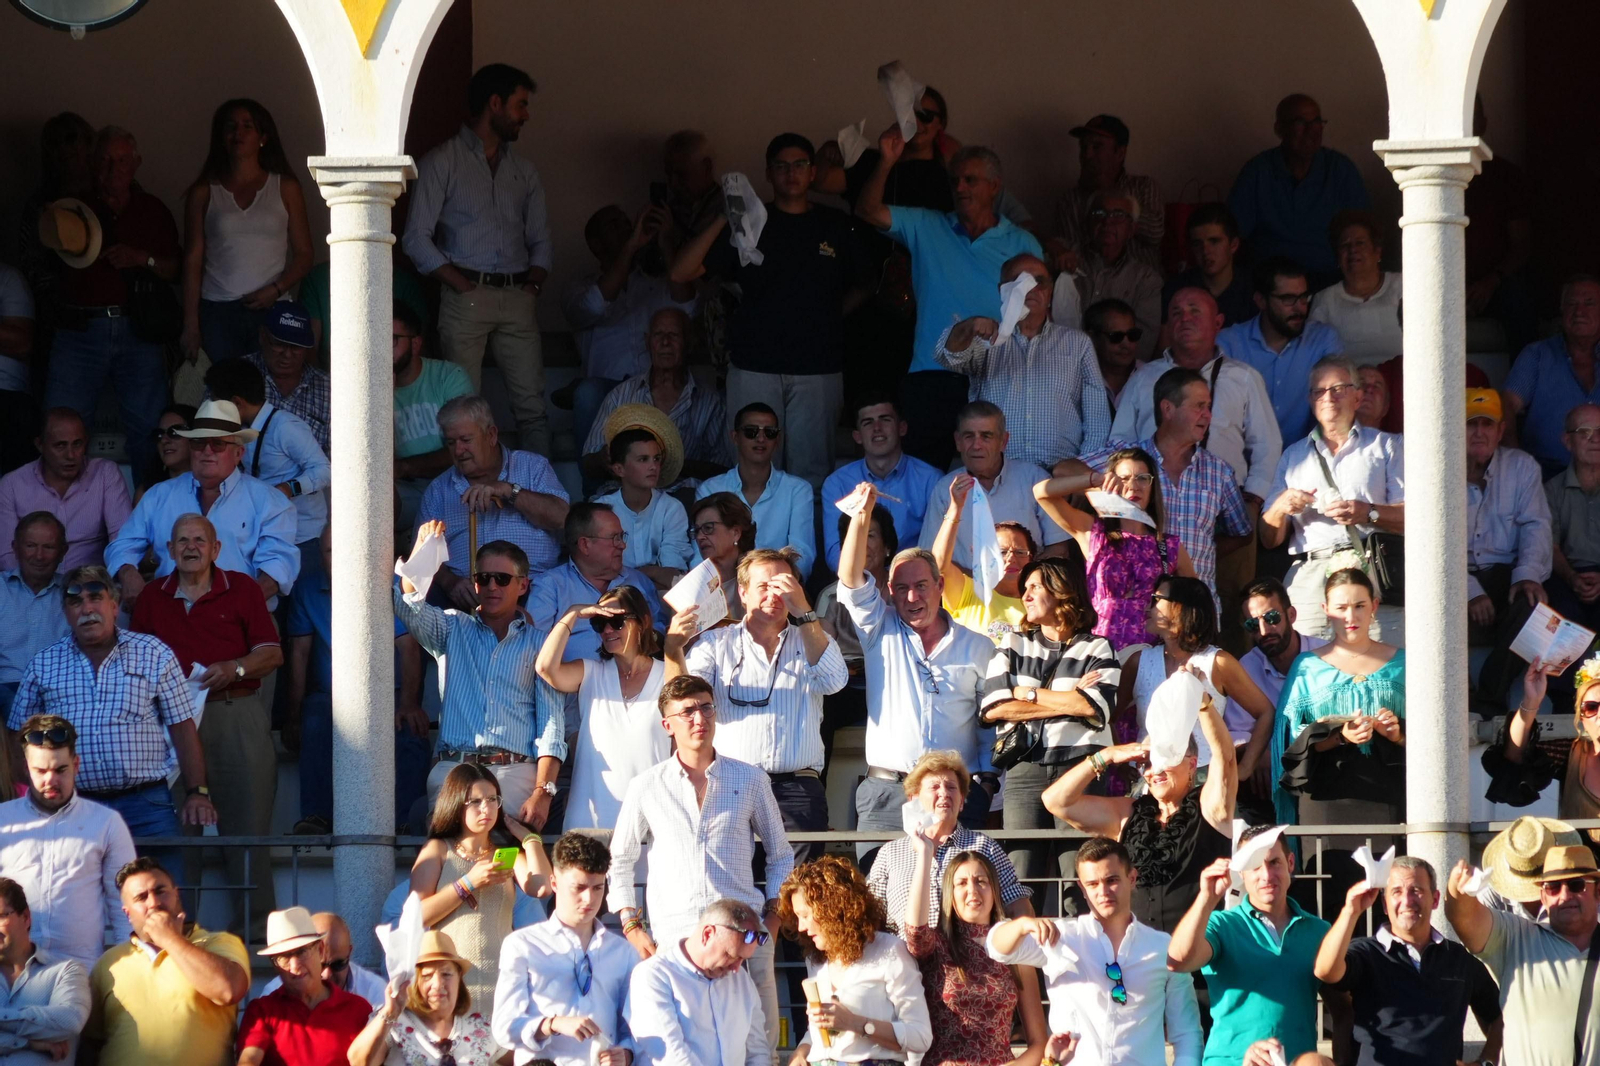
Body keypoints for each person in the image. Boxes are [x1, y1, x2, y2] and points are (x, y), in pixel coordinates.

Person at [608, 675, 795, 1056]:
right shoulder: (647, 785)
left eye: (706, 708)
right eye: (688, 711)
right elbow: (620, 859)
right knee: (678, 1044)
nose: (700, 719)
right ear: (668, 724)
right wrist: (631, 925)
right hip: (676, 937)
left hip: (746, 936)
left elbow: (780, 854)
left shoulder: (750, 778)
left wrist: (772, 920)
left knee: (759, 1046)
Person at [672, 133, 868, 489]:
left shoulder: (835, 224)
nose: (791, 173)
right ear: (768, 173)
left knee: (812, 478)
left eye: (799, 165)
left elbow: (866, 283)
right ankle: (751, 531)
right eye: (781, 166)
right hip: (754, 365)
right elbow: (681, 272)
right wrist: (725, 216)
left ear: (812, 173)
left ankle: (805, 532)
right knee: (752, 473)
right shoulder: (749, 223)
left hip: (817, 368)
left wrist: (830, 316)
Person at [128, 512, 284, 936]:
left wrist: (235, 667)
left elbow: (272, 653)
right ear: (169, 550)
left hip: (234, 711)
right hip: (169, 724)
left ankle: (255, 934)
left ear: (216, 549)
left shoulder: (243, 588)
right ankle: (174, 933)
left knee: (247, 827)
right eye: (182, 540)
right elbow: (134, 661)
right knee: (176, 832)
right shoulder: (152, 597)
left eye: (200, 540)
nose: (191, 547)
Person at [856, 130, 1044, 470]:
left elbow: (1039, 310)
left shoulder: (1022, 242)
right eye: (955, 180)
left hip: (996, 374)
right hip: (931, 373)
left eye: (971, 180)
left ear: (995, 186)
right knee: (921, 475)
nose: (960, 187)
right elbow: (867, 210)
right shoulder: (927, 224)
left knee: (997, 473)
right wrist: (885, 161)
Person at [403, 63, 553, 455]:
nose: (526, 115)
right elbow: (415, 238)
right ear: (495, 103)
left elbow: (541, 240)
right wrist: (461, 284)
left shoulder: (524, 171)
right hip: (465, 296)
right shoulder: (442, 161)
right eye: (520, 105)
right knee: (462, 409)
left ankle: (543, 486)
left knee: (532, 408)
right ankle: (466, 487)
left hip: (517, 294)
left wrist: (532, 287)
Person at [837, 483, 996, 843]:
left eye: (922, 586)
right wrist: (861, 516)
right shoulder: (876, 629)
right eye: (901, 588)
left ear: (940, 585)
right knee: (877, 881)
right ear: (889, 591)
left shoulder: (978, 646)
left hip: (953, 795)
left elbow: (989, 724)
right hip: (887, 794)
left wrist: (987, 782)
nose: (912, 597)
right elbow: (849, 579)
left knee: (956, 881)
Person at [664, 548, 845, 859]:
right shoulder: (715, 643)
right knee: (732, 884)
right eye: (764, 586)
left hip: (797, 790)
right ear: (743, 592)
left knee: (798, 887)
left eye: (783, 586)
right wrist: (673, 650)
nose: (773, 595)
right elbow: (683, 702)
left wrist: (805, 612)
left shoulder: (812, 638)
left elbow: (834, 682)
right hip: (730, 784)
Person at [6, 566, 213, 838]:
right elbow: (17, 738)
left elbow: (182, 728)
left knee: (160, 868)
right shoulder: (43, 664)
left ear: (114, 607)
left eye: (95, 597)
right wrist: (37, 796)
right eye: (75, 602)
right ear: (66, 613)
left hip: (147, 804)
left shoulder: (154, 653)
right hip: (72, 806)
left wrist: (197, 792)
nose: (87, 608)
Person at [394, 525, 566, 826]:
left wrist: (543, 791)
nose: (492, 586)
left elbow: (551, 726)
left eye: (502, 579)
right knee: (450, 855)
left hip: (514, 773)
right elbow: (409, 604)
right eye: (483, 578)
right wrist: (422, 549)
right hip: (454, 770)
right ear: (475, 584)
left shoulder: (541, 643)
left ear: (523, 585)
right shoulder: (451, 627)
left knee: (507, 854)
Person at [40, 126, 179, 484]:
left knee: (149, 429)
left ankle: (149, 507)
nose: (112, 169)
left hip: (138, 330)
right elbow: (45, 272)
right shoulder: (71, 209)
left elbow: (175, 270)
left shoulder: (152, 210)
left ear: (136, 163)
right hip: (80, 330)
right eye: (104, 160)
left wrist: (141, 258)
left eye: (120, 160)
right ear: (92, 163)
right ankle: (59, 513)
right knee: (62, 427)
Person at [988, 837, 1203, 1066]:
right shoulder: (1062, 936)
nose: (1103, 891)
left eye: (1112, 880)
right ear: (1081, 888)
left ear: (1132, 878)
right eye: (1092, 884)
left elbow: (1187, 1033)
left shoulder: (1163, 946)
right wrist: (1022, 924)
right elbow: (996, 948)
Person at [1111, 290, 1282, 577]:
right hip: (1154, 508)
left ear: (1218, 323)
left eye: (1194, 311)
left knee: (1230, 596)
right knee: (1152, 595)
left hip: (1231, 512)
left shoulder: (1244, 377)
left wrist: (1252, 500)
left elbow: (1268, 444)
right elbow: (1119, 443)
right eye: (1176, 313)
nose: (1185, 319)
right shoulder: (1144, 377)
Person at [1042, 684, 1236, 932]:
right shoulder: (1128, 813)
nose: (1155, 770)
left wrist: (1202, 700)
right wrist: (1106, 756)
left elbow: (1225, 758)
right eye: (1148, 763)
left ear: (1192, 764)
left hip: (1199, 944)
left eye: (1165, 759)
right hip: (1138, 948)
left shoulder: (1210, 805)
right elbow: (1056, 801)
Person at [979, 558, 1120, 896]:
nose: (1025, 596)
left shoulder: (1097, 647)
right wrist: (1069, 698)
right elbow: (994, 707)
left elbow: (1093, 707)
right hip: (1024, 769)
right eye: (1025, 588)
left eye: (1035, 587)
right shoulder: (1012, 644)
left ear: (1061, 592)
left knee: (1081, 876)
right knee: (1021, 877)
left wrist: (1027, 694)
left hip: (1081, 769)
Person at [283, 523, 430, 834]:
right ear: (320, 554)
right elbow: (299, 655)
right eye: (329, 551)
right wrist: (292, 716)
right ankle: (317, 817)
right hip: (332, 696)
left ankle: (407, 822)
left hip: (389, 693)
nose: (337, 558)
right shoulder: (307, 589)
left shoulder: (389, 585)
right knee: (314, 718)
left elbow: (409, 648)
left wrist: (409, 703)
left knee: (412, 729)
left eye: (344, 551)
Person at [1078, 366, 1254, 612]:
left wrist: (1203, 550)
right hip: (1141, 614)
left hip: (1198, 610)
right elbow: (1063, 469)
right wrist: (1098, 482)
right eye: (1199, 406)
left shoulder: (1219, 471)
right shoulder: (1129, 461)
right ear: (1168, 409)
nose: (1207, 415)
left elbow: (1242, 533)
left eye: (1208, 407)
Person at [1271, 568, 1406, 882]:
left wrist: (1397, 735)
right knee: (1329, 888)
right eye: (1341, 607)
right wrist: (1339, 737)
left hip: (1387, 794)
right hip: (1325, 797)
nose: (1350, 616)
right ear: (1326, 610)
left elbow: (1430, 737)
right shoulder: (1306, 667)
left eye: (1359, 606)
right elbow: (1291, 741)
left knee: (1385, 889)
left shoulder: (1403, 663)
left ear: (1374, 606)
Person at [1259, 355, 1406, 642]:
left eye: (1338, 389)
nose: (1328, 398)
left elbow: (1415, 517)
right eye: (1319, 391)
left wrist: (1367, 512)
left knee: (1380, 660)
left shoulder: (1386, 446)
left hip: (1371, 569)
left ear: (1357, 396)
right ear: (1311, 400)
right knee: (1311, 661)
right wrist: (1281, 507)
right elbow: (1268, 539)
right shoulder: (1293, 456)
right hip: (1311, 576)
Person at [106, 398, 299, 610]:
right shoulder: (159, 495)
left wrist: (236, 608)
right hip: (169, 614)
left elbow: (278, 566)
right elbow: (122, 545)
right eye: (199, 442)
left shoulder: (269, 501)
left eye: (218, 443)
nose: (207, 450)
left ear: (238, 453)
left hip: (241, 615)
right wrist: (128, 574)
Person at [1167, 826, 1333, 1066]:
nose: (1266, 875)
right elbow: (1178, 961)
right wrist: (1206, 898)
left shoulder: (1319, 931)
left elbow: (1342, 1008)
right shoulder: (1222, 924)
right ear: (1241, 872)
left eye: (1274, 862)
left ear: (1290, 862)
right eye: (1255, 866)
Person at [1313, 858, 1503, 1066]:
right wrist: (1351, 911)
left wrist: (1486, 1062)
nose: (1407, 900)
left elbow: (1500, 1016)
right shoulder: (1366, 953)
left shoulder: (1458, 959)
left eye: (1416, 890)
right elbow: (1325, 971)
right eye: (1396, 892)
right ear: (1384, 904)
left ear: (1435, 899)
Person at [936, 253, 1113, 468]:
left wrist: (1081, 470)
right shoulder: (985, 339)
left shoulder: (1078, 343)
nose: (1030, 288)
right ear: (1002, 290)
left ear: (1050, 291)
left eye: (1039, 281)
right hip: (997, 474)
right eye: (1019, 280)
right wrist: (969, 326)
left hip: (1060, 475)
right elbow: (949, 357)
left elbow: (1097, 421)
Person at [410, 763, 552, 1027]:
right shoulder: (438, 849)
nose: (486, 808)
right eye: (475, 801)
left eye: (492, 799)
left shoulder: (505, 855)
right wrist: (468, 883)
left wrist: (530, 840)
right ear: (456, 804)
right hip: (451, 982)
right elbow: (415, 916)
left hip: (501, 980)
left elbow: (541, 887)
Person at [82, 857, 250, 1066]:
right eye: (141, 897)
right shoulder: (109, 963)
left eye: (160, 891)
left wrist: (170, 939)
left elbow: (229, 990)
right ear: (127, 913)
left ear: (176, 895)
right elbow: (89, 1044)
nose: (154, 903)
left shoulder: (218, 943)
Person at [179, 98, 311, 363]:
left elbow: (305, 254)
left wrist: (276, 289)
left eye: (247, 126)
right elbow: (193, 259)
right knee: (224, 384)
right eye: (230, 127)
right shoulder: (204, 192)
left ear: (263, 137)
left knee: (267, 383)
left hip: (272, 306)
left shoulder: (285, 188)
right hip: (217, 310)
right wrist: (190, 323)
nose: (237, 133)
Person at [1443, 845, 1600, 1066]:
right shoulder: (1516, 938)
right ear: (1543, 896)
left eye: (1577, 885)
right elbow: (1464, 919)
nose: (1565, 895)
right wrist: (1459, 889)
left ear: (1598, 892)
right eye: (1553, 887)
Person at [903, 826, 1046, 1066]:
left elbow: (1039, 1042)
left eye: (981, 881)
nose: (973, 890)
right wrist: (925, 855)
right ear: (950, 893)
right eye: (961, 883)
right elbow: (915, 932)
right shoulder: (936, 945)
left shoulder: (1016, 948)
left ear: (994, 891)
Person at [0, 716, 135, 969]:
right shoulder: (3, 820)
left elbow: (125, 905)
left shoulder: (106, 823)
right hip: (9, 973)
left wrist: (125, 969)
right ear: (27, 768)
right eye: (41, 771)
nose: (50, 780)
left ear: (76, 765)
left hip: (80, 971)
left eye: (60, 770)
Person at [493, 832, 635, 1066]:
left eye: (598, 888)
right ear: (554, 883)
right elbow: (504, 1028)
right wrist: (551, 1024)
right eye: (578, 887)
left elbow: (634, 1025)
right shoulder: (522, 945)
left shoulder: (623, 952)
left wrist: (627, 1053)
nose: (589, 899)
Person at [535, 585, 671, 830]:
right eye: (599, 623)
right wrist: (573, 614)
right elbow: (545, 668)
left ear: (643, 622)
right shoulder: (591, 672)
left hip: (650, 819)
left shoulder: (668, 675)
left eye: (617, 621)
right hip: (589, 821)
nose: (607, 630)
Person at [1034, 445, 1197, 649]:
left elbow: (1195, 604)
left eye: (1142, 478)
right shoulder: (1093, 532)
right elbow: (1041, 492)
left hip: (1152, 655)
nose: (1133, 486)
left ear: (1152, 486)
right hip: (1101, 654)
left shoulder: (1169, 546)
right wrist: (1094, 480)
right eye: (1124, 478)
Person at [562, 202, 694, 449]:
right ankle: (592, 475)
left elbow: (688, 307)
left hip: (654, 388)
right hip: (607, 394)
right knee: (587, 391)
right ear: (596, 244)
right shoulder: (579, 289)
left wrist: (666, 243)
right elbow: (594, 306)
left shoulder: (653, 283)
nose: (627, 229)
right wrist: (631, 246)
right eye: (614, 225)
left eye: (627, 222)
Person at [418, 394, 570, 607]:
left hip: (533, 594)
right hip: (466, 600)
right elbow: (421, 554)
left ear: (491, 435)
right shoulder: (438, 490)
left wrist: (509, 491)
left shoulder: (532, 467)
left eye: (465, 440)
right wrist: (449, 582)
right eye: (451, 443)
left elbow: (562, 518)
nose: (458, 451)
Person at [780, 856, 934, 1065]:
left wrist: (855, 1023)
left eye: (805, 915)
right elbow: (821, 1030)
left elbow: (920, 1036)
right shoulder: (817, 959)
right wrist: (802, 1050)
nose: (800, 927)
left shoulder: (889, 951)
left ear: (832, 909)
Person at [1118, 574, 1273, 781]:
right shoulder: (1139, 662)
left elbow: (1265, 712)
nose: (1147, 607)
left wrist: (1244, 769)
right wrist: (1121, 762)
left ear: (1181, 607)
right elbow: (1108, 717)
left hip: (1203, 783)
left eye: (1156, 600)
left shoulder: (1217, 662)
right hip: (1150, 782)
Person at [866, 750, 1033, 932]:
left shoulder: (985, 847)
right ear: (914, 798)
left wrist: (1024, 934)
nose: (944, 793)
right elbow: (871, 914)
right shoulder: (890, 853)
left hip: (967, 949)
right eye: (934, 787)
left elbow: (1017, 903)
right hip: (905, 948)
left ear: (961, 801)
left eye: (951, 787)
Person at [1463, 388, 1553, 701]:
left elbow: (1536, 525)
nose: (1479, 432)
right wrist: (1470, 591)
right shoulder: (1439, 471)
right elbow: (1433, 546)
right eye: (1471, 423)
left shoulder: (1522, 466)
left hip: (1505, 573)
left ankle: (1489, 696)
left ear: (1501, 431)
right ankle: (1460, 695)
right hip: (1455, 576)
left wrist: (1527, 575)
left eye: (1487, 424)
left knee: (1534, 607)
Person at [1228, 94, 1371, 287]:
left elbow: (1363, 233)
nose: (1312, 131)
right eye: (1300, 123)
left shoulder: (1339, 169)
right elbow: (1233, 237)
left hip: (1330, 281)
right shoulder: (1258, 171)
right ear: (1279, 129)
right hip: (1271, 284)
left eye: (1317, 122)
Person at [204, 355, 329, 572]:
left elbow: (325, 470)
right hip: (266, 534)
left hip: (303, 537)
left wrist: (287, 489)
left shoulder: (286, 426)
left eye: (217, 404)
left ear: (236, 403)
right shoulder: (242, 430)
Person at [581, 307, 732, 485]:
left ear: (689, 343)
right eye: (658, 335)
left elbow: (724, 470)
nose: (665, 342)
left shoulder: (710, 403)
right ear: (647, 342)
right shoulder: (621, 395)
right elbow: (588, 464)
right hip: (626, 495)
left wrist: (674, 464)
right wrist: (603, 458)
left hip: (684, 494)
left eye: (674, 335)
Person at [917, 402, 1067, 570]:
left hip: (1027, 583)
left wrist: (1027, 578)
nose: (976, 445)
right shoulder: (945, 489)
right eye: (969, 436)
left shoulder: (1034, 480)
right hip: (964, 585)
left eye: (986, 436)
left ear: (1003, 441)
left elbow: (1059, 547)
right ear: (958, 441)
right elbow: (929, 558)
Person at [624, 899, 770, 1066]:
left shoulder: (741, 979)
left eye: (743, 959)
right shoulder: (653, 975)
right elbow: (670, 1055)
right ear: (707, 934)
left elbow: (758, 1050)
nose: (736, 968)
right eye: (731, 956)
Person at [1218, 258, 1347, 445]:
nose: (1299, 308)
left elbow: (1340, 404)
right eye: (1288, 299)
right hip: (1241, 457)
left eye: (1303, 298)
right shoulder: (1229, 343)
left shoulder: (1322, 339)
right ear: (1261, 301)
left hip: (1307, 455)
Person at [1232, 579, 1327, 817]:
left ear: (1291, 615)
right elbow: (1235, 732)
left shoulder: (1325, 656)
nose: (1264, 631)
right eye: (1253, 624)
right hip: (1269, 781)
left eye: (1272, 618)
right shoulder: (1246, 667)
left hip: (1321, 763)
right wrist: (1259, 752)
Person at [527, 503, 667, 660]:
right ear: (585, 545)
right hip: (573, 674)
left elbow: (661, 633)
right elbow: (533, 647)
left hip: (634, 674)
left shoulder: (639, 581)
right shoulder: (550, 586)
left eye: (622, 537)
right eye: (614, 538)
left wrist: (643, 635)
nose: (622, 545)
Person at [235, 907, 370, 1066]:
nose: (294, 966)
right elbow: (248, 1060)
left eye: (301, 952)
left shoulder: (358, 1009)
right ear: (275, 965)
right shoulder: (262, 1012)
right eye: (283, 957)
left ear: (320, 950)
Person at [821, 394, 941, 573]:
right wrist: (866, 580)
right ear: (857, 436)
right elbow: (834, 555)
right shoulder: (837, 484)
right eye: (867, 423)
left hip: (914, 580)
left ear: (902, 428)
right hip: (858, 579)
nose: (877, 428)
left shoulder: (931, 479)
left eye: (885, 419)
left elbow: (935, 549)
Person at [1485, 654, 1600, 840]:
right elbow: (1516, 756)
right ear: (1581, 716)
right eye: (1591, 707)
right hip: (1579, 858)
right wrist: (1531, 701)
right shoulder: (1571, 752)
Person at [695, 404, 816, 579]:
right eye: (751, 432)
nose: (761, 438)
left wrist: (764, 585)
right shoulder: (709, 489)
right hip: (721, 585)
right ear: (735, 437)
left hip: (777, 588)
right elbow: (699, 554)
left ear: (777, 440)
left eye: (769, 432)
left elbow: (802, 556)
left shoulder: (798, 490)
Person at [0, 408, 130, 570]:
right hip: (31, 582)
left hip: (89, 582)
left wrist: (124, 573)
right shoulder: (12, 484)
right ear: (40, 445)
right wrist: (27, 585)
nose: (70, 455)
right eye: (60, 445)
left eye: (77, 444)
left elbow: (122, 541)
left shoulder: (105, 474)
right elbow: (7, 554)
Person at [347, 931, 498, 1066]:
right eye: (427, 976)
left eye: (446, 974)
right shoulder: (393, 1025)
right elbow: (358, 1061)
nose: (438, 984)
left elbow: (513, 1050)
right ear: (412, 981)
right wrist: (390, 1013)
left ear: (459, 978)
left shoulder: (482, 1027)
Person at [1503, 274, 1600, 474]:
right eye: (1572, 304)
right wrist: (1515, 461)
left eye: (1589, 303)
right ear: (1562, 311)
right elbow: (1506, 404)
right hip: (1546, 474)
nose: (1579, 311)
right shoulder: (1537, 355)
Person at [393, 301, 473, 535]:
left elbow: (466, 448)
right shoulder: (371, 388)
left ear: (416, 343)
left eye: (393, 339)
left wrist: (405, 467)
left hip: (457, 486)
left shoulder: (448, 376)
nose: (382, 348)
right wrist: (382, 395)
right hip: (406, 492)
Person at [1050, 114, 1165, 272]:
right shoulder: (1069, 201)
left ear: (1120, 153)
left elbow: (1155, 234)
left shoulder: (1143, 186)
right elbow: (1071, 257)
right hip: (1093, 283)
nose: (1087, 155)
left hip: (1144, 283)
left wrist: (1117, 199)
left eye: (1097, 147)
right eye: (1084, 147)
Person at [930, 477, 1033, 643]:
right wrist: (956, 507)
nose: (1011, 558)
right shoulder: (969, 592)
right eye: (1002, 552)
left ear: (1031, 558)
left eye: (1020, 552)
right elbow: (939, 563)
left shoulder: (1038, 602)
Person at [0, 877, 91, 1066]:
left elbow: (70, 1021)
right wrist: (27, 1043)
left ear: (26, 917)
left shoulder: (66, 972)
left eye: (1, 916)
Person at [592, 427, 692, 590]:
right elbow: (601, 575)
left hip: (660, 596)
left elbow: (673, 575)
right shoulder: (601, 511)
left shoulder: (672, 508)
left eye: (656, 459)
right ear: (619, 469)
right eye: (643, 459)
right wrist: (653, 571)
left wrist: (631, 575)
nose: (653, 466)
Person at [1074, 191, 1163, 361]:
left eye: (1118, 215)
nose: (1107, 221)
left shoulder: (1145, 280)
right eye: (1099, 213)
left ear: (1132, 229)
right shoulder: (1065, 262)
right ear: (1087, 223)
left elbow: (1140, 347)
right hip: (1064, 368)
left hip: (1119, 373)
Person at [1307, 211, 1402, 365]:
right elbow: (1312, 354)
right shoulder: (1325, 299)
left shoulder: (1403, 285)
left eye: (1360, 243)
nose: (1353, 250)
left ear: (1377, 252)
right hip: (1349, 379)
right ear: (1337, 256)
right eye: (1345, 245)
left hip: (1405, 377)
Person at [0, 513, 70, 717]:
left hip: (57, 689)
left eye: (48, 547)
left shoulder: (74, 593)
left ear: (63, 552)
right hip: (5, 685)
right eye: (30, 546)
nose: (39, 556)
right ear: (15, 548)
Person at [242, 303, 331, 456]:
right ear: (263, 336)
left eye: (296, 347)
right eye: (279, 344)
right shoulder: (235, 375)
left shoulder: (329, 389)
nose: (287, 354)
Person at [258, 911, 388, 1008]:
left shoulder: (373, 991)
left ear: (349, 953)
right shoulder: (272, 996)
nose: (327, 974)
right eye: (321, 964)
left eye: (338, 964)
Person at [1546, 403, 1600, 636]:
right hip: (1566, 575)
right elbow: (1550, 546)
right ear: (1568, 441)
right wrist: (1571, 578)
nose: (1595, 439)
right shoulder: (1552, 489)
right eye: (1584, 432)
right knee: (1561, 619)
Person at [1160, 204, 1256, 330]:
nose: (1205, 251)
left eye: (1214, 241)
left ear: (1233, 245)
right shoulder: (1176, 289)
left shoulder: (1253, 291)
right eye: (1197, 244)